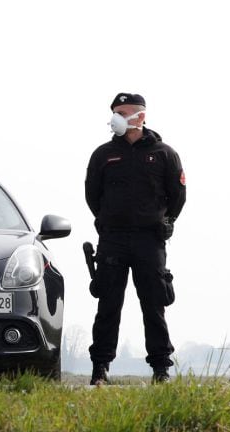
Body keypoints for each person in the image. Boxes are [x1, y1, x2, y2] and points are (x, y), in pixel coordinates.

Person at [84, 92, 186, 384]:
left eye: (123, 111)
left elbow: (178, 195)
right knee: (108, 305)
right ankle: (100, 368)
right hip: (113, 240)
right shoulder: (102, 154)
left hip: (149, 240)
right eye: (115, 111)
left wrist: (167, 222)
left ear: (140, 116)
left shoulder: (165, 153)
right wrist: (106, 220)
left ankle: (161, 369)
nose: (117, 116)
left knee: (154, 305)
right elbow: (93, 195)